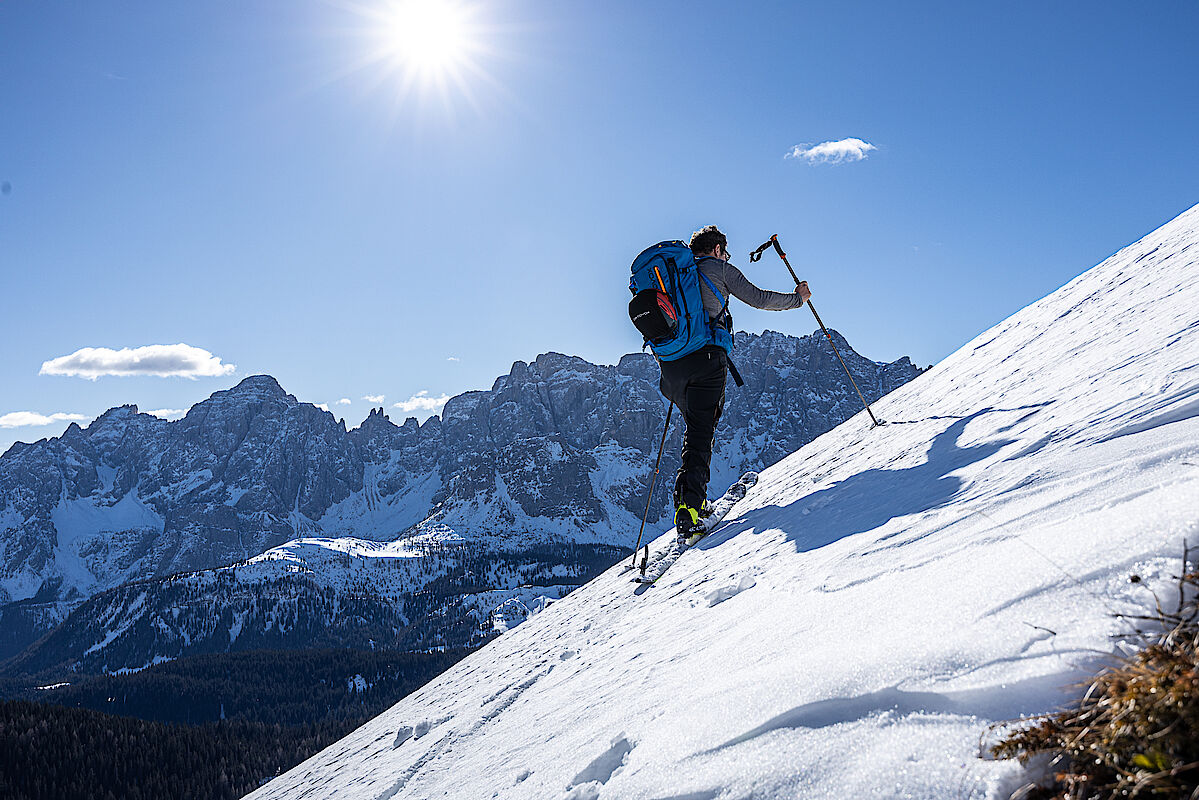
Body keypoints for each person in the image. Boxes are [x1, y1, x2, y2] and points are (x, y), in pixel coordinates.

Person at [661, 225, 812, 542]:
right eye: (725, 252)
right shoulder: (719, 268)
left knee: (694, 430)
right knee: (701, 432)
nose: (727, 256)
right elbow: (759, 298)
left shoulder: (675, 274)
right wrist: (797, 299)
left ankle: (693, 502)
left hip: (671, 366)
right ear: (716, 249)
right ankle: (689, 510)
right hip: (706, 360)